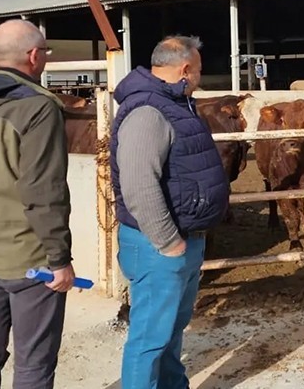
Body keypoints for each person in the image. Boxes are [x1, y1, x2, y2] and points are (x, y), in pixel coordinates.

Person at [111, 35, 230, 388]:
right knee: (149, 338)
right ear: (185, 68)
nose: (200, 78)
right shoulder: (148, 111)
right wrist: (168, 242)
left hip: (182, 238)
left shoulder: (175, 104)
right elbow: (137, 183)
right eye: (199, 71)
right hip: (158, 245)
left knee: (170, 331)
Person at [0, 19, 75, 389]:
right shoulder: (38, 107)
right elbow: (42, 190)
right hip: (27, 260)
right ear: (34, 56)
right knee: (34, 362)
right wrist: (59, 260)